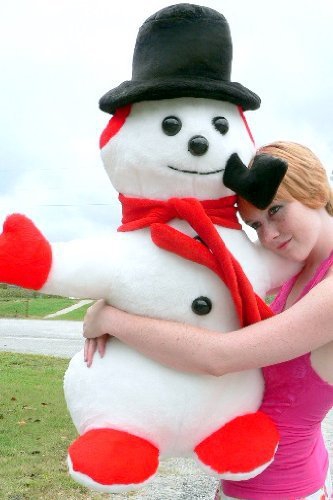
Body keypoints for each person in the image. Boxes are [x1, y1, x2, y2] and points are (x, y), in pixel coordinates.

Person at [83, 141, 333, 500]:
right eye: (255, 225)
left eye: (276, 210)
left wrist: (112, 319)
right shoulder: (296, 268)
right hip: (244, 484)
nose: (269, 235)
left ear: (316, 190)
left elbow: (219, 357)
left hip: (287, 491)